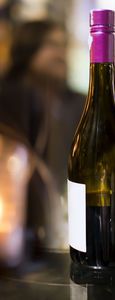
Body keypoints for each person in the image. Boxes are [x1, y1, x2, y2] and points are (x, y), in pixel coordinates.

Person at [0, 20, 85, 251]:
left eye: (63, 45)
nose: (61, 53)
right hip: (16, 228)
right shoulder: (7, 99)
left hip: (66, 228)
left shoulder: (80, 103)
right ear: (27, 49)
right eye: (51, 44)